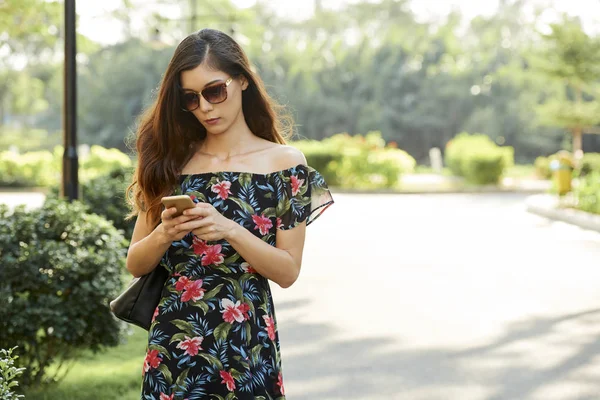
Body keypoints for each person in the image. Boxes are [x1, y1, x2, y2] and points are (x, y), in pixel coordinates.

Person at [125, 28, 334, 399]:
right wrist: (164, 234)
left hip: (247, 346)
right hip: (174, 346)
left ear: (241, 81)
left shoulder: (284, 166)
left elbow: (288, 271)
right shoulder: (170, 163)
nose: (205, 107)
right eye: (190, 98)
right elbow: (135, 264)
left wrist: (230, 230)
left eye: (214, 91)